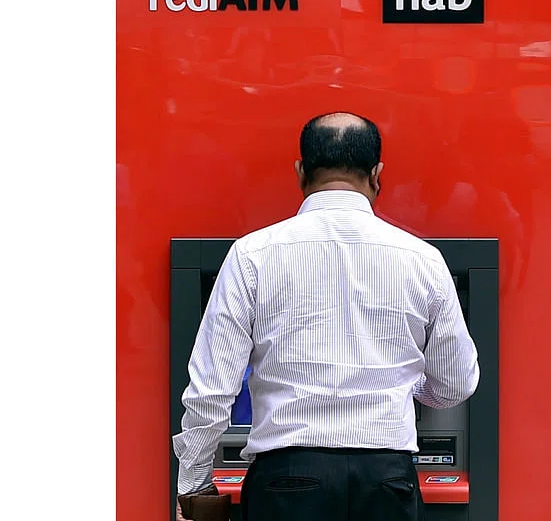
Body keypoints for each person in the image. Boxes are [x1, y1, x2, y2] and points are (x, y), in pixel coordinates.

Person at [173, 112, 480, 521]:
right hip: (387, 481)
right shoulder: (423, 260)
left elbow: (212, 388)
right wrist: (405, 382)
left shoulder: (252, 256)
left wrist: (194, 483)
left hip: (285, 480)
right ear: (377, 175)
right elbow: (456, 384)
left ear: (301, 172)